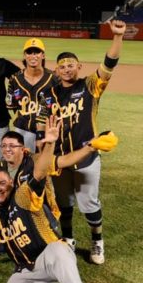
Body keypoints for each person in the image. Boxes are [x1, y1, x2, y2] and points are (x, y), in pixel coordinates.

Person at [0, 116, 107, 283]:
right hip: (28, 269)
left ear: (11, 183)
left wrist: (51, 142)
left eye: (2, 184)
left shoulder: (22, 193)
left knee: (59, 248)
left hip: (50, 257)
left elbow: (42, 169)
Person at [43, 20, 126, 265]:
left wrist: (118, 37)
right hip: (60, 159)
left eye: (71, 65)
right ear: (56, 71)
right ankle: (68, 238)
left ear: (79, 66)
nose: (67, 69)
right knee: (64, 203)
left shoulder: (90, 86)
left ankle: (97, 241)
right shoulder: (50, 96)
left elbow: (109, 64)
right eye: (62, 67)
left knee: (88, 203)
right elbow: (41, 124)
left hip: (87, 156)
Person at [6, 38, 55, 151]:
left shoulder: (54, 79)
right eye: (29, 52)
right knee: (22, 164)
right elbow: (12, 105)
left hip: (48, 132)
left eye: (37, 52)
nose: (33, 56)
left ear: (43, 55)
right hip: (22, 131)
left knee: (45, 166)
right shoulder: (15, 79)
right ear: (24, 56)